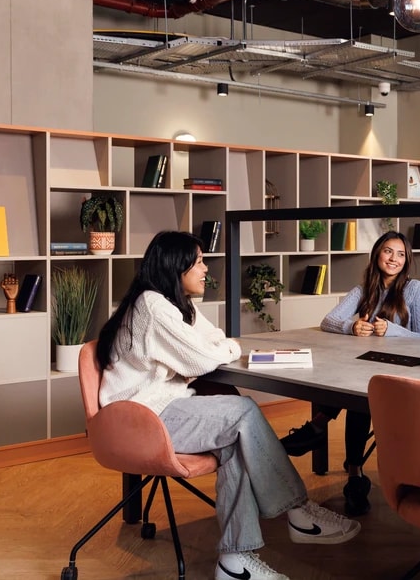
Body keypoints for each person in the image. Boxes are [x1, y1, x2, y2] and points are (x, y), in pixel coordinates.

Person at [96, 231, 360, 580]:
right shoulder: (153, 305)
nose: (206, 268)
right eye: (200, 261)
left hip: (161, 411)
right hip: (139, 420)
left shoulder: (175, 304)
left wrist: (222, 346)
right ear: (177, 265)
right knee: (244, 411)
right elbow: (204, 357)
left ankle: (234, 563)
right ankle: (298, 511)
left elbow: (212, 337)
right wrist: (230, 349)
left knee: (236, 441)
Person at [280, 230, 420, 516]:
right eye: (388, 251)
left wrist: (392, 330)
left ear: (407, 260)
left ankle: (319, 430)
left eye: (400, 254)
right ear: (377, 254)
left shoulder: (415, 290)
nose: (394, 258)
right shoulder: (362, 290)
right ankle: (353, 473)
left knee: (362, 391)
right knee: (355, 385)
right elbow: (329, 320)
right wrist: (351, 327)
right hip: (367, 368)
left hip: (402, 373)